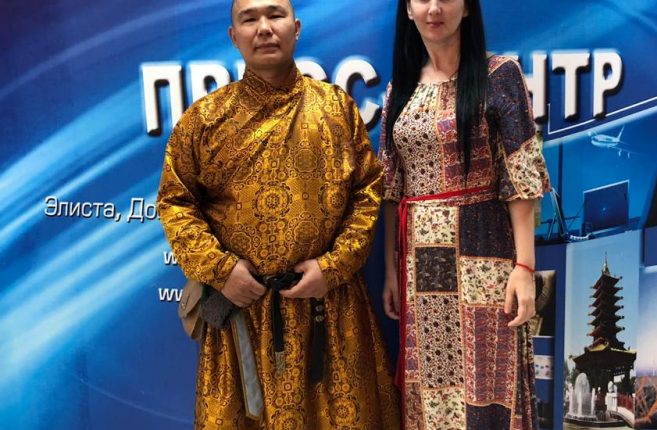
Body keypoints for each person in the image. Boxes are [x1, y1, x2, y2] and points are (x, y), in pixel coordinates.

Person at [156, 0, 400, 428]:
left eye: (275, 15)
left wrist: (333, 267)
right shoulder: (205, 120)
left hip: (330, 309)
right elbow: (176, 202)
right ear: (234, 36)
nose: (264, 28)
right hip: (242, 315)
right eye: (249, 19)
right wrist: (221, 271)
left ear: (296, 27)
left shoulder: (335, 109)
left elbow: (367, 190)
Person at [379, 0, 550, 428]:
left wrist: (525, 267)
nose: (435, 7)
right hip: (423, 264)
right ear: (408, 10)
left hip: (486, 256)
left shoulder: (500, 75)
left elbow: (520, 175)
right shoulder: (400, 89)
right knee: (433, 388)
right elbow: (391, 189)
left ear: (468, 8)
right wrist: (391, 271)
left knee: (487, 386)